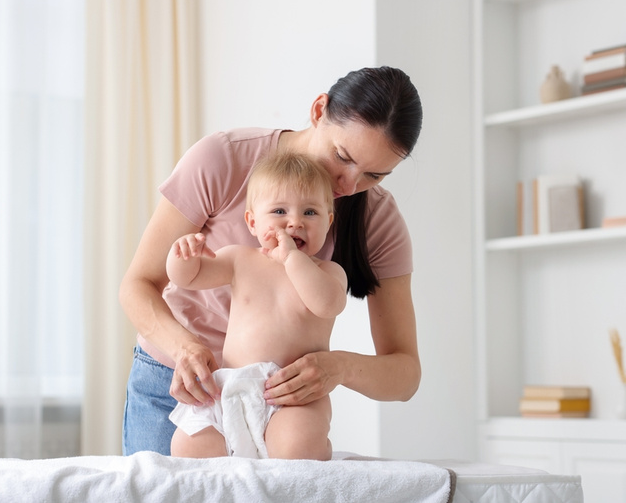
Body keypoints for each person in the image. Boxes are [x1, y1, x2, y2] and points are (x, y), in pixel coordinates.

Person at [119, 66, 423, 456]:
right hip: (183, 385)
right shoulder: (224, 159)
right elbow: (138, 284)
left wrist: (338, 367)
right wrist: (184, 349)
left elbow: (405, 374)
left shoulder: (376, 220)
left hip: (277, 400)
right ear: (318, 110)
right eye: (342, 156)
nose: (347, 186)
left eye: (374, 175)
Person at [166, 152, 346, 460]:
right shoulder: (240, 259)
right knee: (187, 447)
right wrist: (181, 255)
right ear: (252, 222)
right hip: (230, 389)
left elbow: (328, 304)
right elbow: (189, 277)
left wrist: (292, 259)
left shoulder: (328, 273)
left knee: (297, 447)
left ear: (328, 221)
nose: (295, 222)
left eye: (311, 212)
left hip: (292, 395)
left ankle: (319, 451)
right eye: (279, 211)